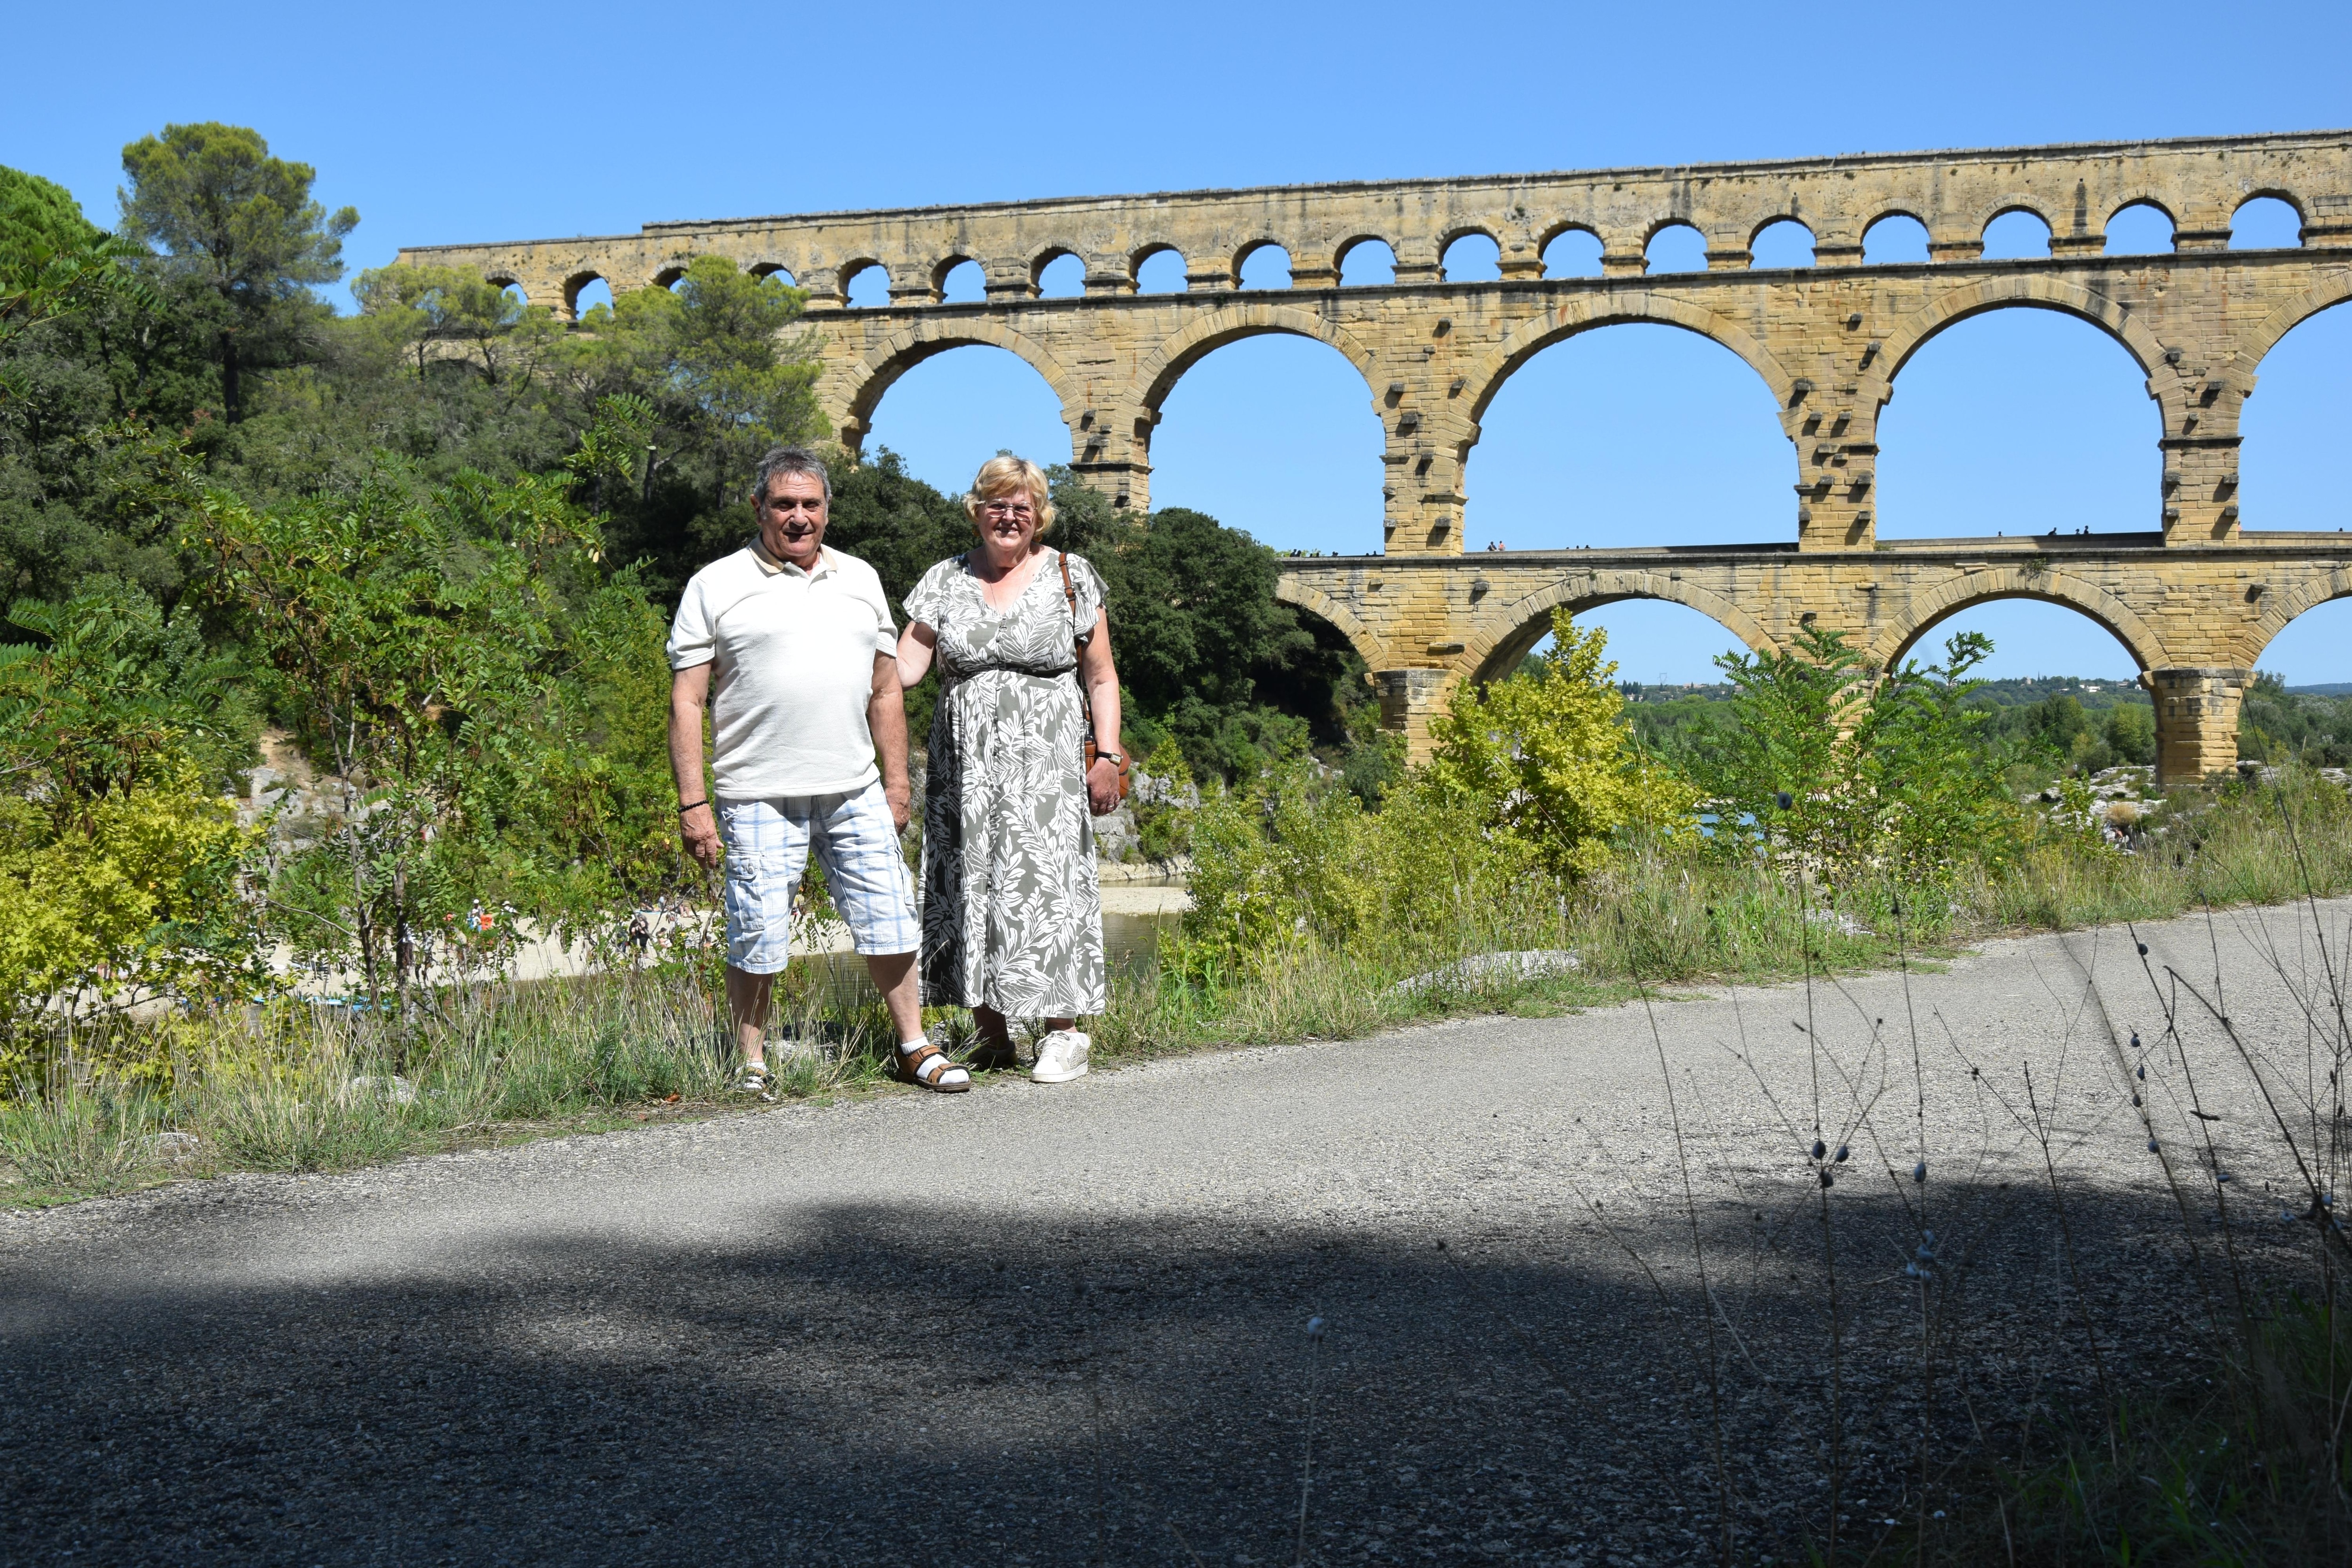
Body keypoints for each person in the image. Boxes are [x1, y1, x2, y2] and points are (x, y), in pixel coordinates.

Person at [667, 446, 969, 1094]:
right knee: (759, 932)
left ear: (828, 509)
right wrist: (694, 802)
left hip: (854, 785)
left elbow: (886, 690)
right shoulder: (714, 584)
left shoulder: (861, 578)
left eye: (811, 504)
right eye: (784, 504)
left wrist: (896, 782)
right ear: (759, 508)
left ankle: (914, 1046)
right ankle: (751, 1061)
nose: (798, 517)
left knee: (890, 917)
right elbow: (687, 699)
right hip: (757, 791)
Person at [896, 455, 1122, 1084]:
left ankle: (1064, 1032)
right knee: (969, 882)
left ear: (1038, 516)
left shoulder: (1071, 575)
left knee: (1046, 882)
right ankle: (991, 1033)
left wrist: (1108, 755)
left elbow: (1101, 676)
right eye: (997, 503)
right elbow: (904, 668)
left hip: (1046, 762)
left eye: (1021, 506)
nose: (1009, 516)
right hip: (962, 765)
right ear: (978, 510)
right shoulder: (943, 580)